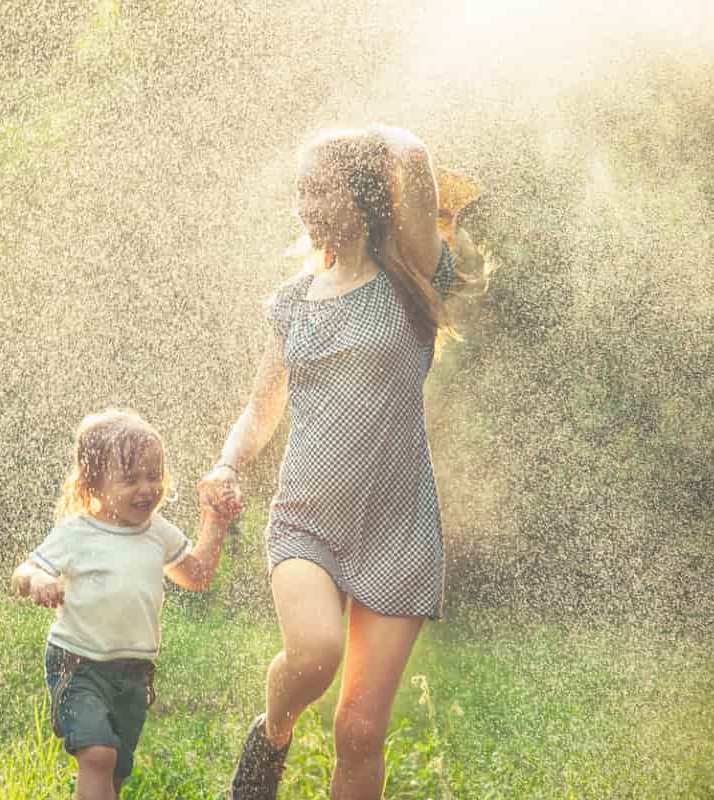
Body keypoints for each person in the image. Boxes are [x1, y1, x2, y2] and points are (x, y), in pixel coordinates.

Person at [200, 125, 484, 800]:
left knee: (359, 731)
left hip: (399, 533)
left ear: (362, 196)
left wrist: (371, 139)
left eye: (317, 186)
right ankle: (272, 732)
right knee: (314, 654)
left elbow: (413, 155)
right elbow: (261, 408)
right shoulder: (294, 302)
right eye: (299, 188)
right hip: (308, 523)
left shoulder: (414, 278)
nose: (302, 203)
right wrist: (227, 464)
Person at [12, 409, 240, 800]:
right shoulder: (77, 533)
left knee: (115, 768)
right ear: (93, 485)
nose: (147, 488)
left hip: (134, 673)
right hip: (77, 664)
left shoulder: (158, 532)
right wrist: (39, 579)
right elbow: (23, 572)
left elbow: (198, 574)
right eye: (131, 478)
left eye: (154, 476)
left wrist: (215, 519)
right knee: (97, 755)